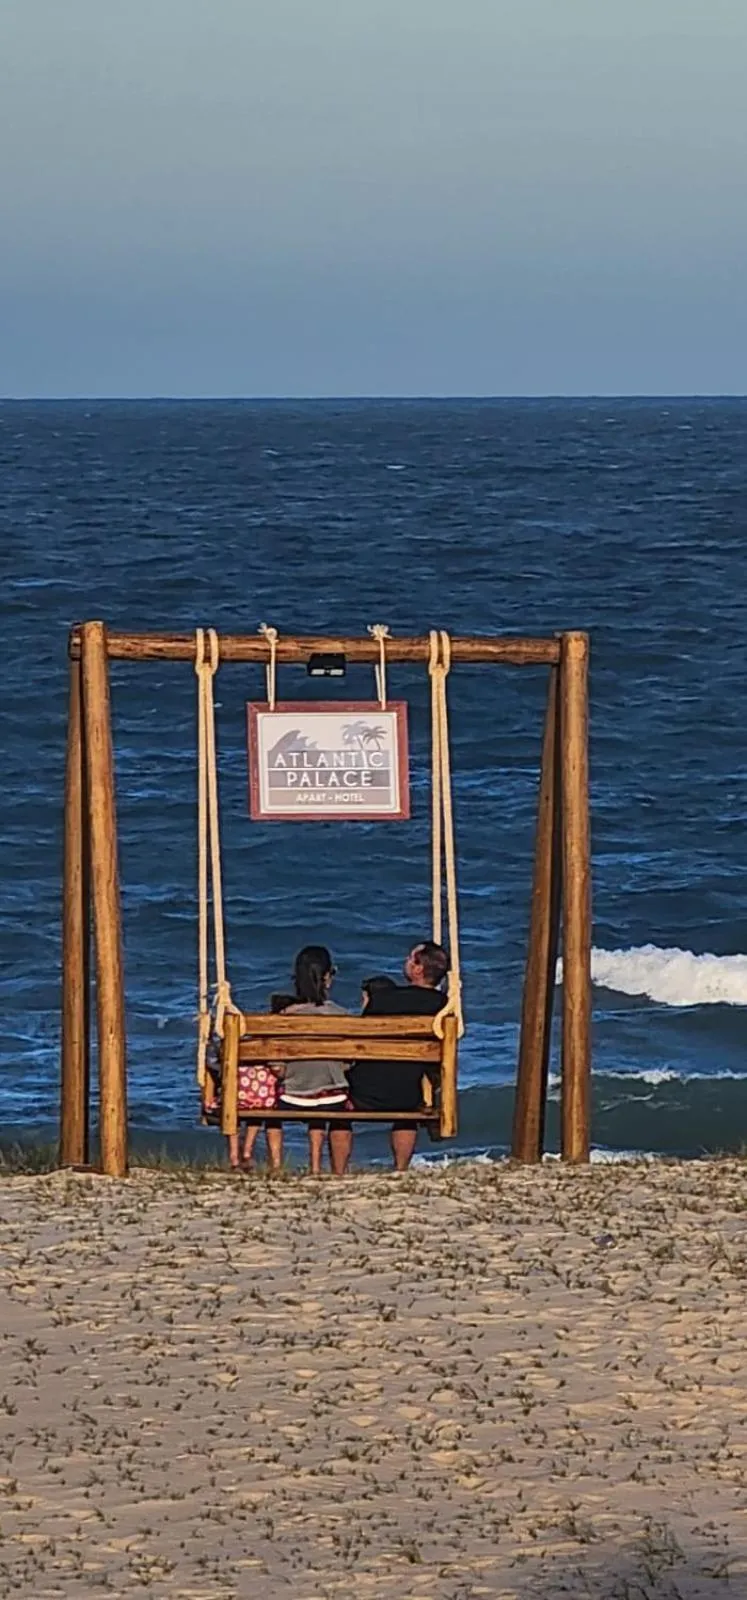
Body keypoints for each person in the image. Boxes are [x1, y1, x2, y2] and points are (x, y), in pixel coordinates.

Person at [346, 941, 449, 1172]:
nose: (406, 961)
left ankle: (339, 1170)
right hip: (407, 1095)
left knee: (339, 1104)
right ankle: (401, 1168)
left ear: (418, 969)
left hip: (363, 1093)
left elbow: (360, 1037)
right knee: (409, 1108)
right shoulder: (442, 1006)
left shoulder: (384, 1000)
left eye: (410, 958)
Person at [278, 946, 351, 1176]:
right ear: (328, 978)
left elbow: (276, 1064)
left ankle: (280, 1166)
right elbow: (349, 1061)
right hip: (334, 1096)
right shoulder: (342, 1016)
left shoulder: (284, 1017)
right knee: (339, 1114)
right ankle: (337, 1173)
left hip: (291, 1096)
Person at [228, 991, 291, 1172]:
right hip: (265, 1098)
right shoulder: (279, 1040)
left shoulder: (256, 1038)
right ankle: (250, 1152)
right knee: (264, 1106)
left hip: (239, 1093)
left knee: (235, 1109)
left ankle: (235, 1156)